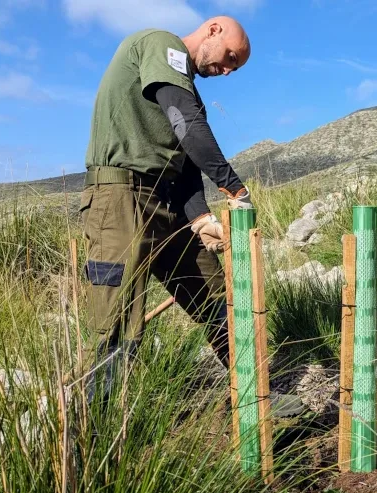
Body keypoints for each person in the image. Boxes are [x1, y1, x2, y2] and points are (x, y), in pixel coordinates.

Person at [80, 16, 304, 416]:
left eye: (235, 67)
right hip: (120, 200)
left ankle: (254, 397)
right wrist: (235, 188)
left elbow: (183, 168)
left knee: (217, 298)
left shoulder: (186, 89)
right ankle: (93, 431)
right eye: (231, 57)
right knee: (117, 324)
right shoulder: (158, 44)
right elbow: (187, 126)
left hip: (167, 205)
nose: (228, 69)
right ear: (214, 29)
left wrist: (200, 220)